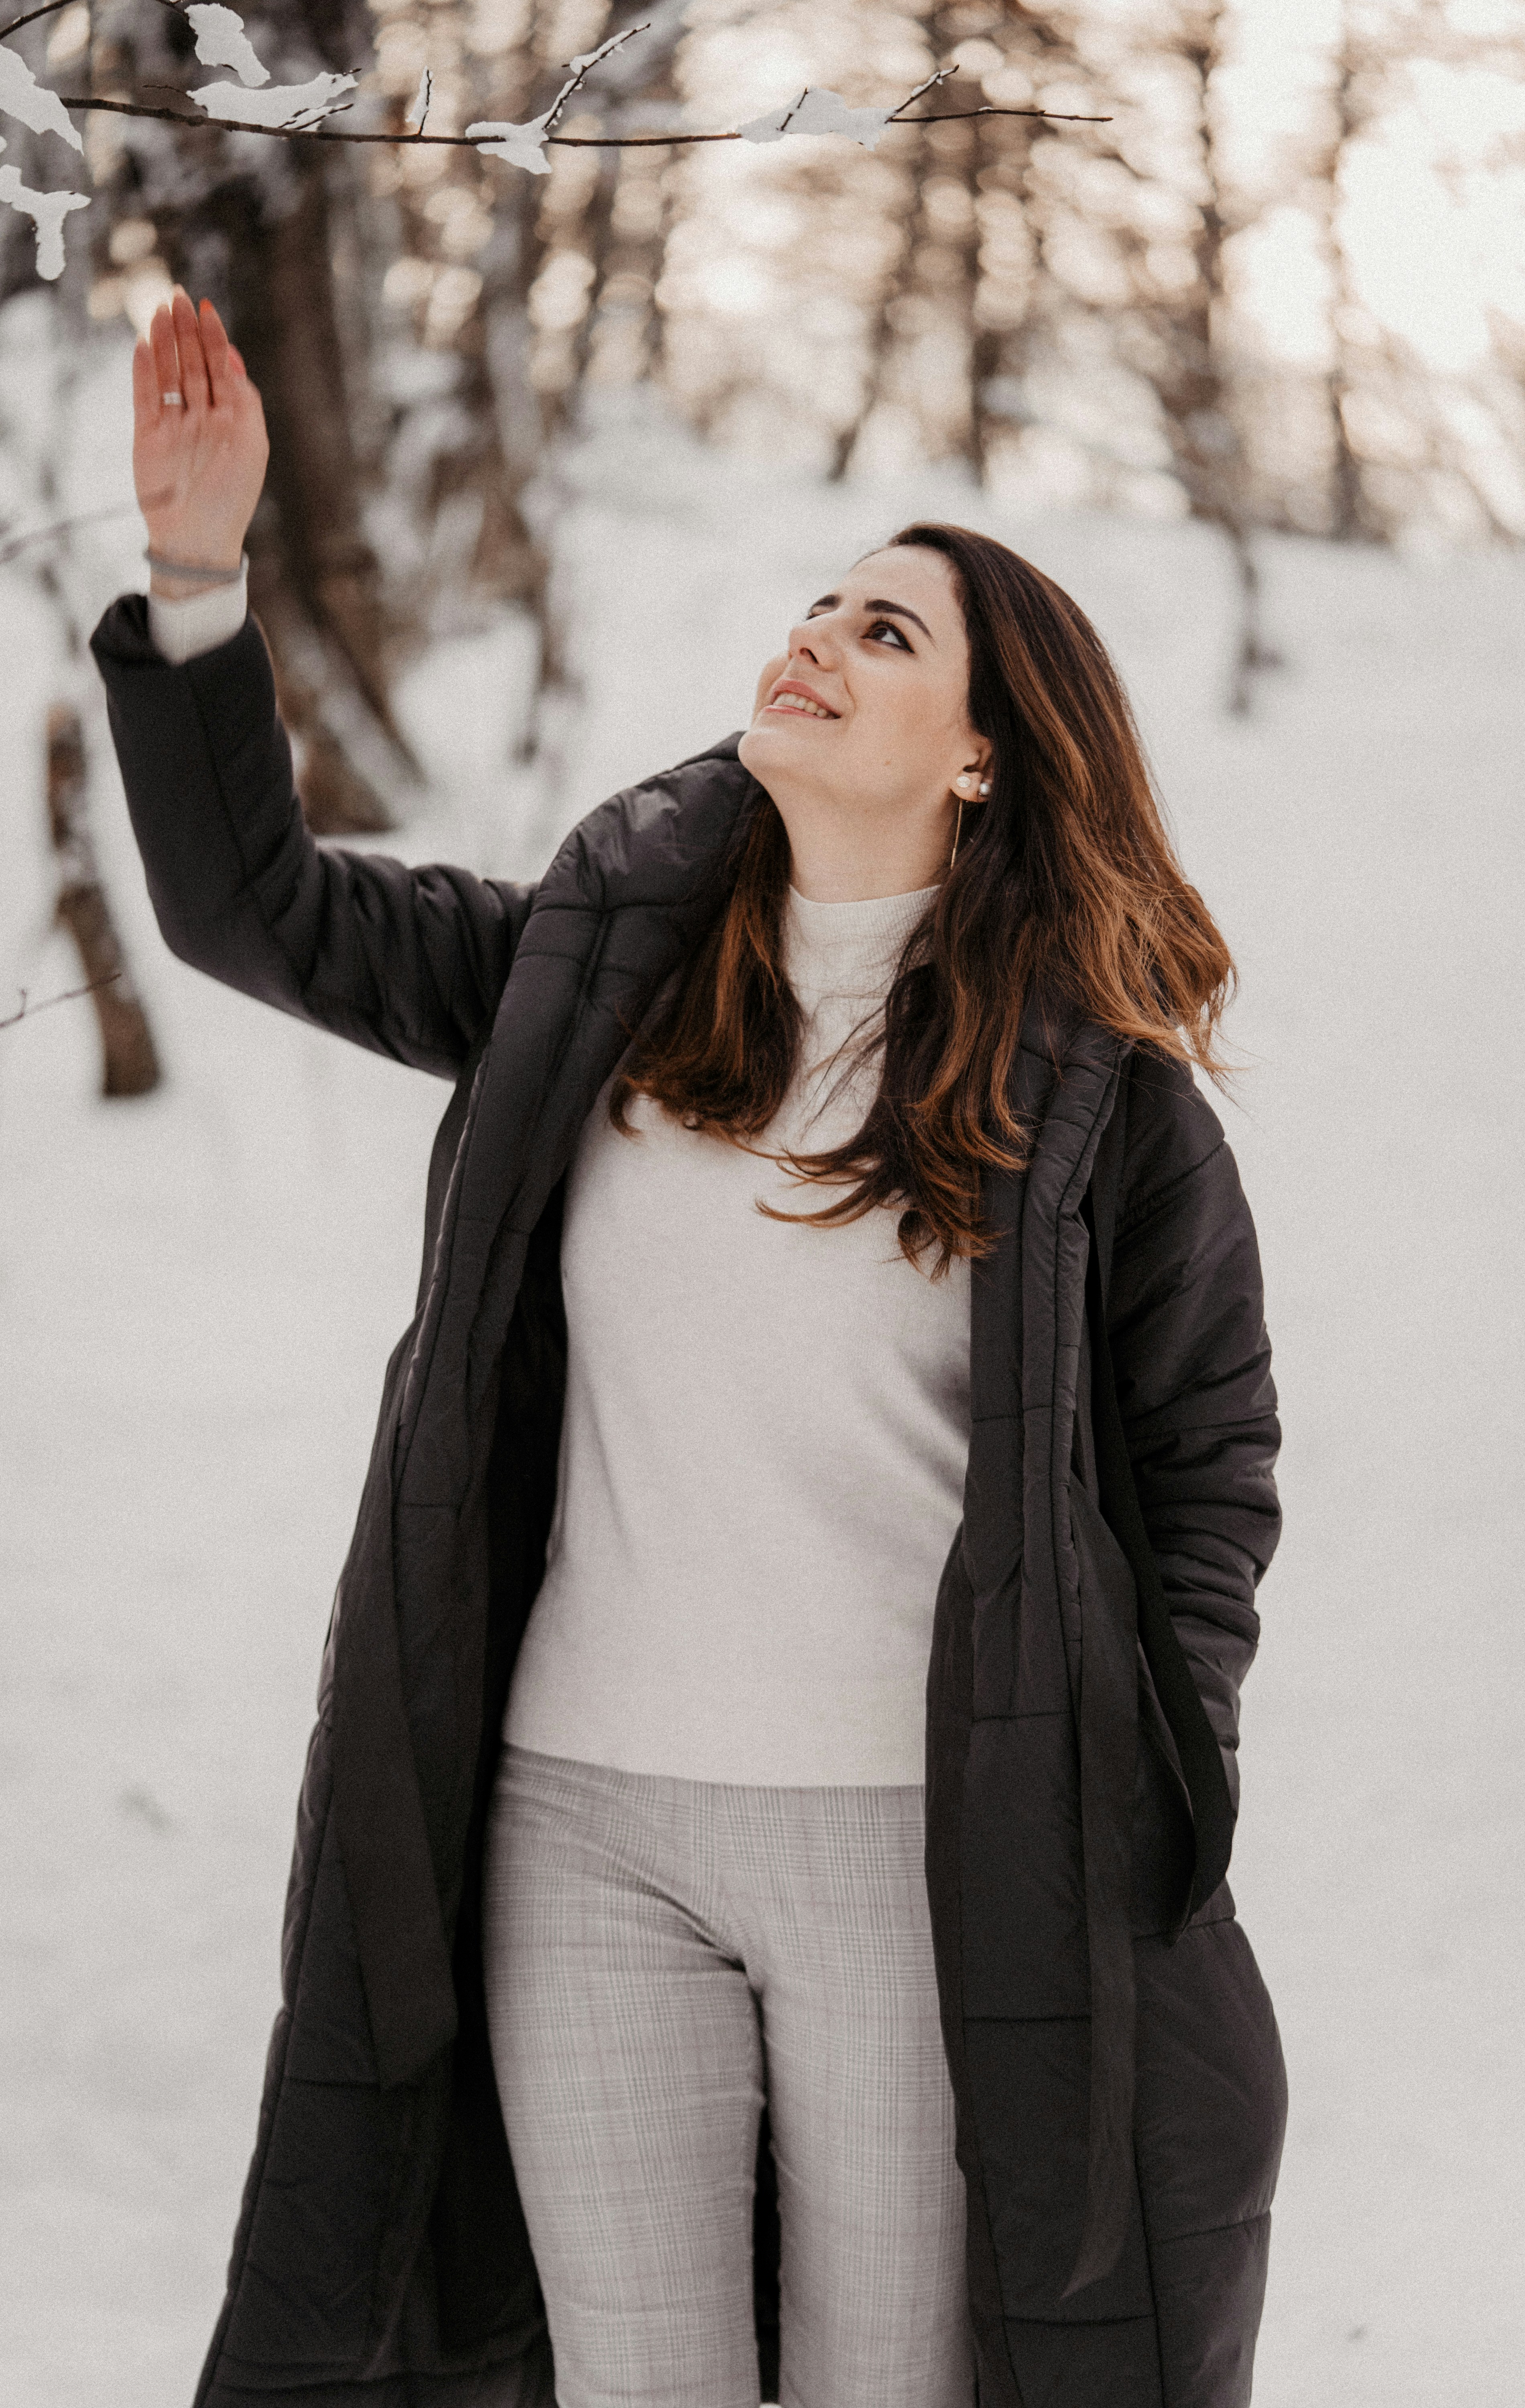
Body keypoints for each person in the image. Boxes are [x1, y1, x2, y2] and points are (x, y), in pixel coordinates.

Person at [91, 289, 1288, 2408]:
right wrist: (198, 585)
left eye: (891, 634)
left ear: (990, 753)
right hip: (579, 1828)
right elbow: (254, 912)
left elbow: (1211, 1463)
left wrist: (1130, 1755)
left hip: (906, 1850)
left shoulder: (1101, 1104)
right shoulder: (600, 975)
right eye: (823, 603)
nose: (818, 637)